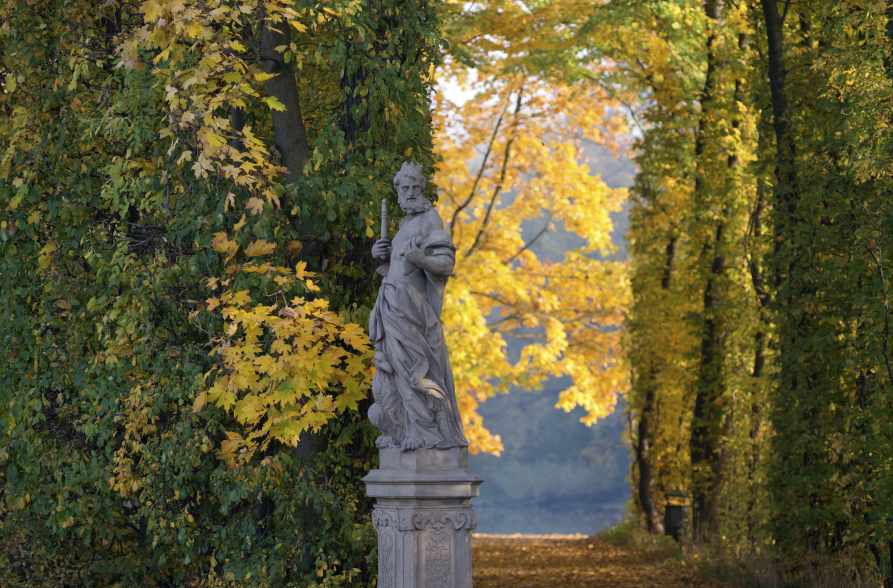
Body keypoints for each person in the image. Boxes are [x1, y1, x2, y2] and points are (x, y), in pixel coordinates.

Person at [367, 162, 469, 451]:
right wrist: (382, 256)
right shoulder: (404, 224)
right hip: (392, 306)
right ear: (398, 192)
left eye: (415, 188)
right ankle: (405, 429)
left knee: (414, 370)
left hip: (413, 311)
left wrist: (423, 260)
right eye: (404, 188)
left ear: (422, 190)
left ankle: (428, 434)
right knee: (396, 370)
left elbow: (445, 263)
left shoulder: (430, 220)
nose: (410, 194)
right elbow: (397, 267)